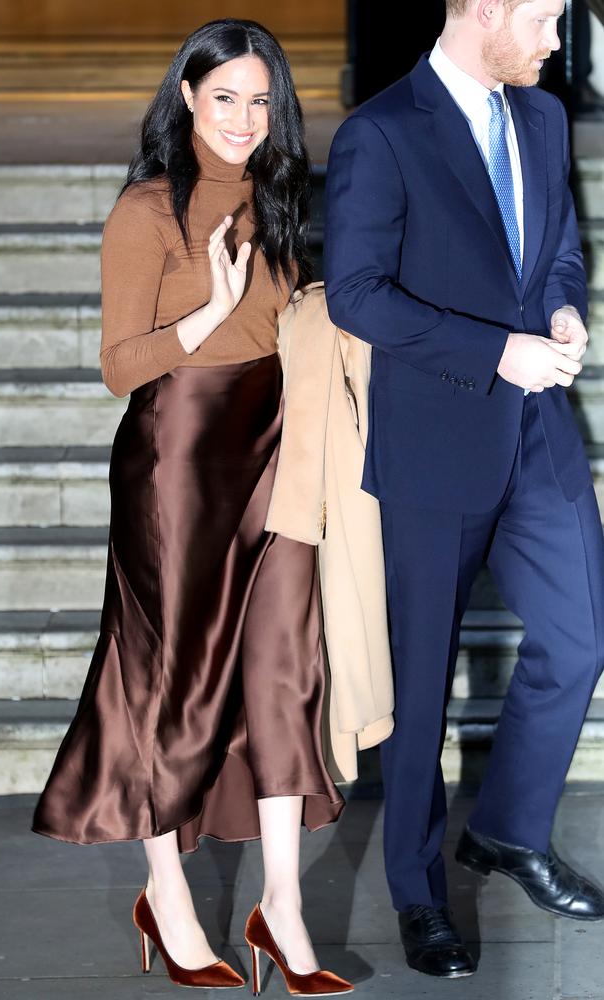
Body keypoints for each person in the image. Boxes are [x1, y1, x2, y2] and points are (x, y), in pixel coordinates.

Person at [32, 19, 352, 996]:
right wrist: (204, 318)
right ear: (186, 97)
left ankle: (282, 910)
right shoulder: (145, 211)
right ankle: (167, 896)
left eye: (261, 101)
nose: (244, 121)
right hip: (175, 458)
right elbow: (116, 367)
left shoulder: (290, 195)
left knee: (285, 668)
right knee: (174, 674)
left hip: (280, 449)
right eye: (224, 98)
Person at [325, 0, 604, 980]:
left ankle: (505, 831)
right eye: (542, 17)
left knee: (579, 635)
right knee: (421, 685)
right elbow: (355, 291)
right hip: (435, 441)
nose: (555, 39)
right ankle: (415, 888)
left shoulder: (538, 115)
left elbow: (556, 247)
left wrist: (562, 306)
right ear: (481, 9)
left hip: (538, 438)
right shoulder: (381, 131)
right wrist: (496, 349)